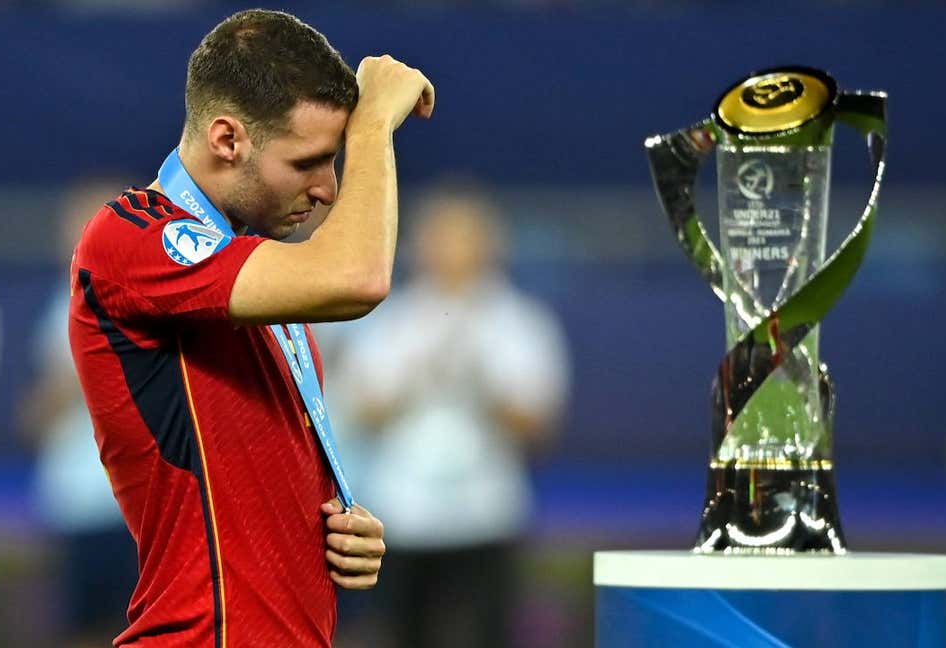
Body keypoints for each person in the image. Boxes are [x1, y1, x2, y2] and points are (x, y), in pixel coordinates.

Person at [67, 9, 434, 648]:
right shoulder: (133, 236)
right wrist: (374, 125)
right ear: (228, 140)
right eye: (310, 161)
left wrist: (325, 527)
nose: (328, 189)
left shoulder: (251, 272)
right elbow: (359, 277)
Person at [332, 186, 570, 648]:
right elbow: (357, 414)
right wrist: (414, 374)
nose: (450, 251)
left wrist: (481, 381)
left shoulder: (519, 322)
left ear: (489, 245)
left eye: (463, 238)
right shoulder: (389, 317)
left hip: (485, 515)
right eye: (440, 238)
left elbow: (539, 427)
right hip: (402, 515)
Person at [22, 178, 139, 646]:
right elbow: (34, 419)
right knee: (84, 629)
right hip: (76, 500)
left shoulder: (155, 300)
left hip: (144, 506)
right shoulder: (59, 311)